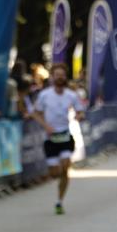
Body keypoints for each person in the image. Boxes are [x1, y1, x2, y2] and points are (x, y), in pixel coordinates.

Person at [31, 64, 85, 214]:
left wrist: (78, 116)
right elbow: (35, 113)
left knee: (66, 166)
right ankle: (59, 177)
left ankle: (59, 201)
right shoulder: (45, 95)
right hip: (50, 138)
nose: (60, 77)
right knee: (55, 173)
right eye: (57, 75)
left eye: (62, 75)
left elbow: (81, 111)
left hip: (65, 136)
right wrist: (45, 125)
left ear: (65, 77)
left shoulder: (71, 95)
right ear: (52, 77)